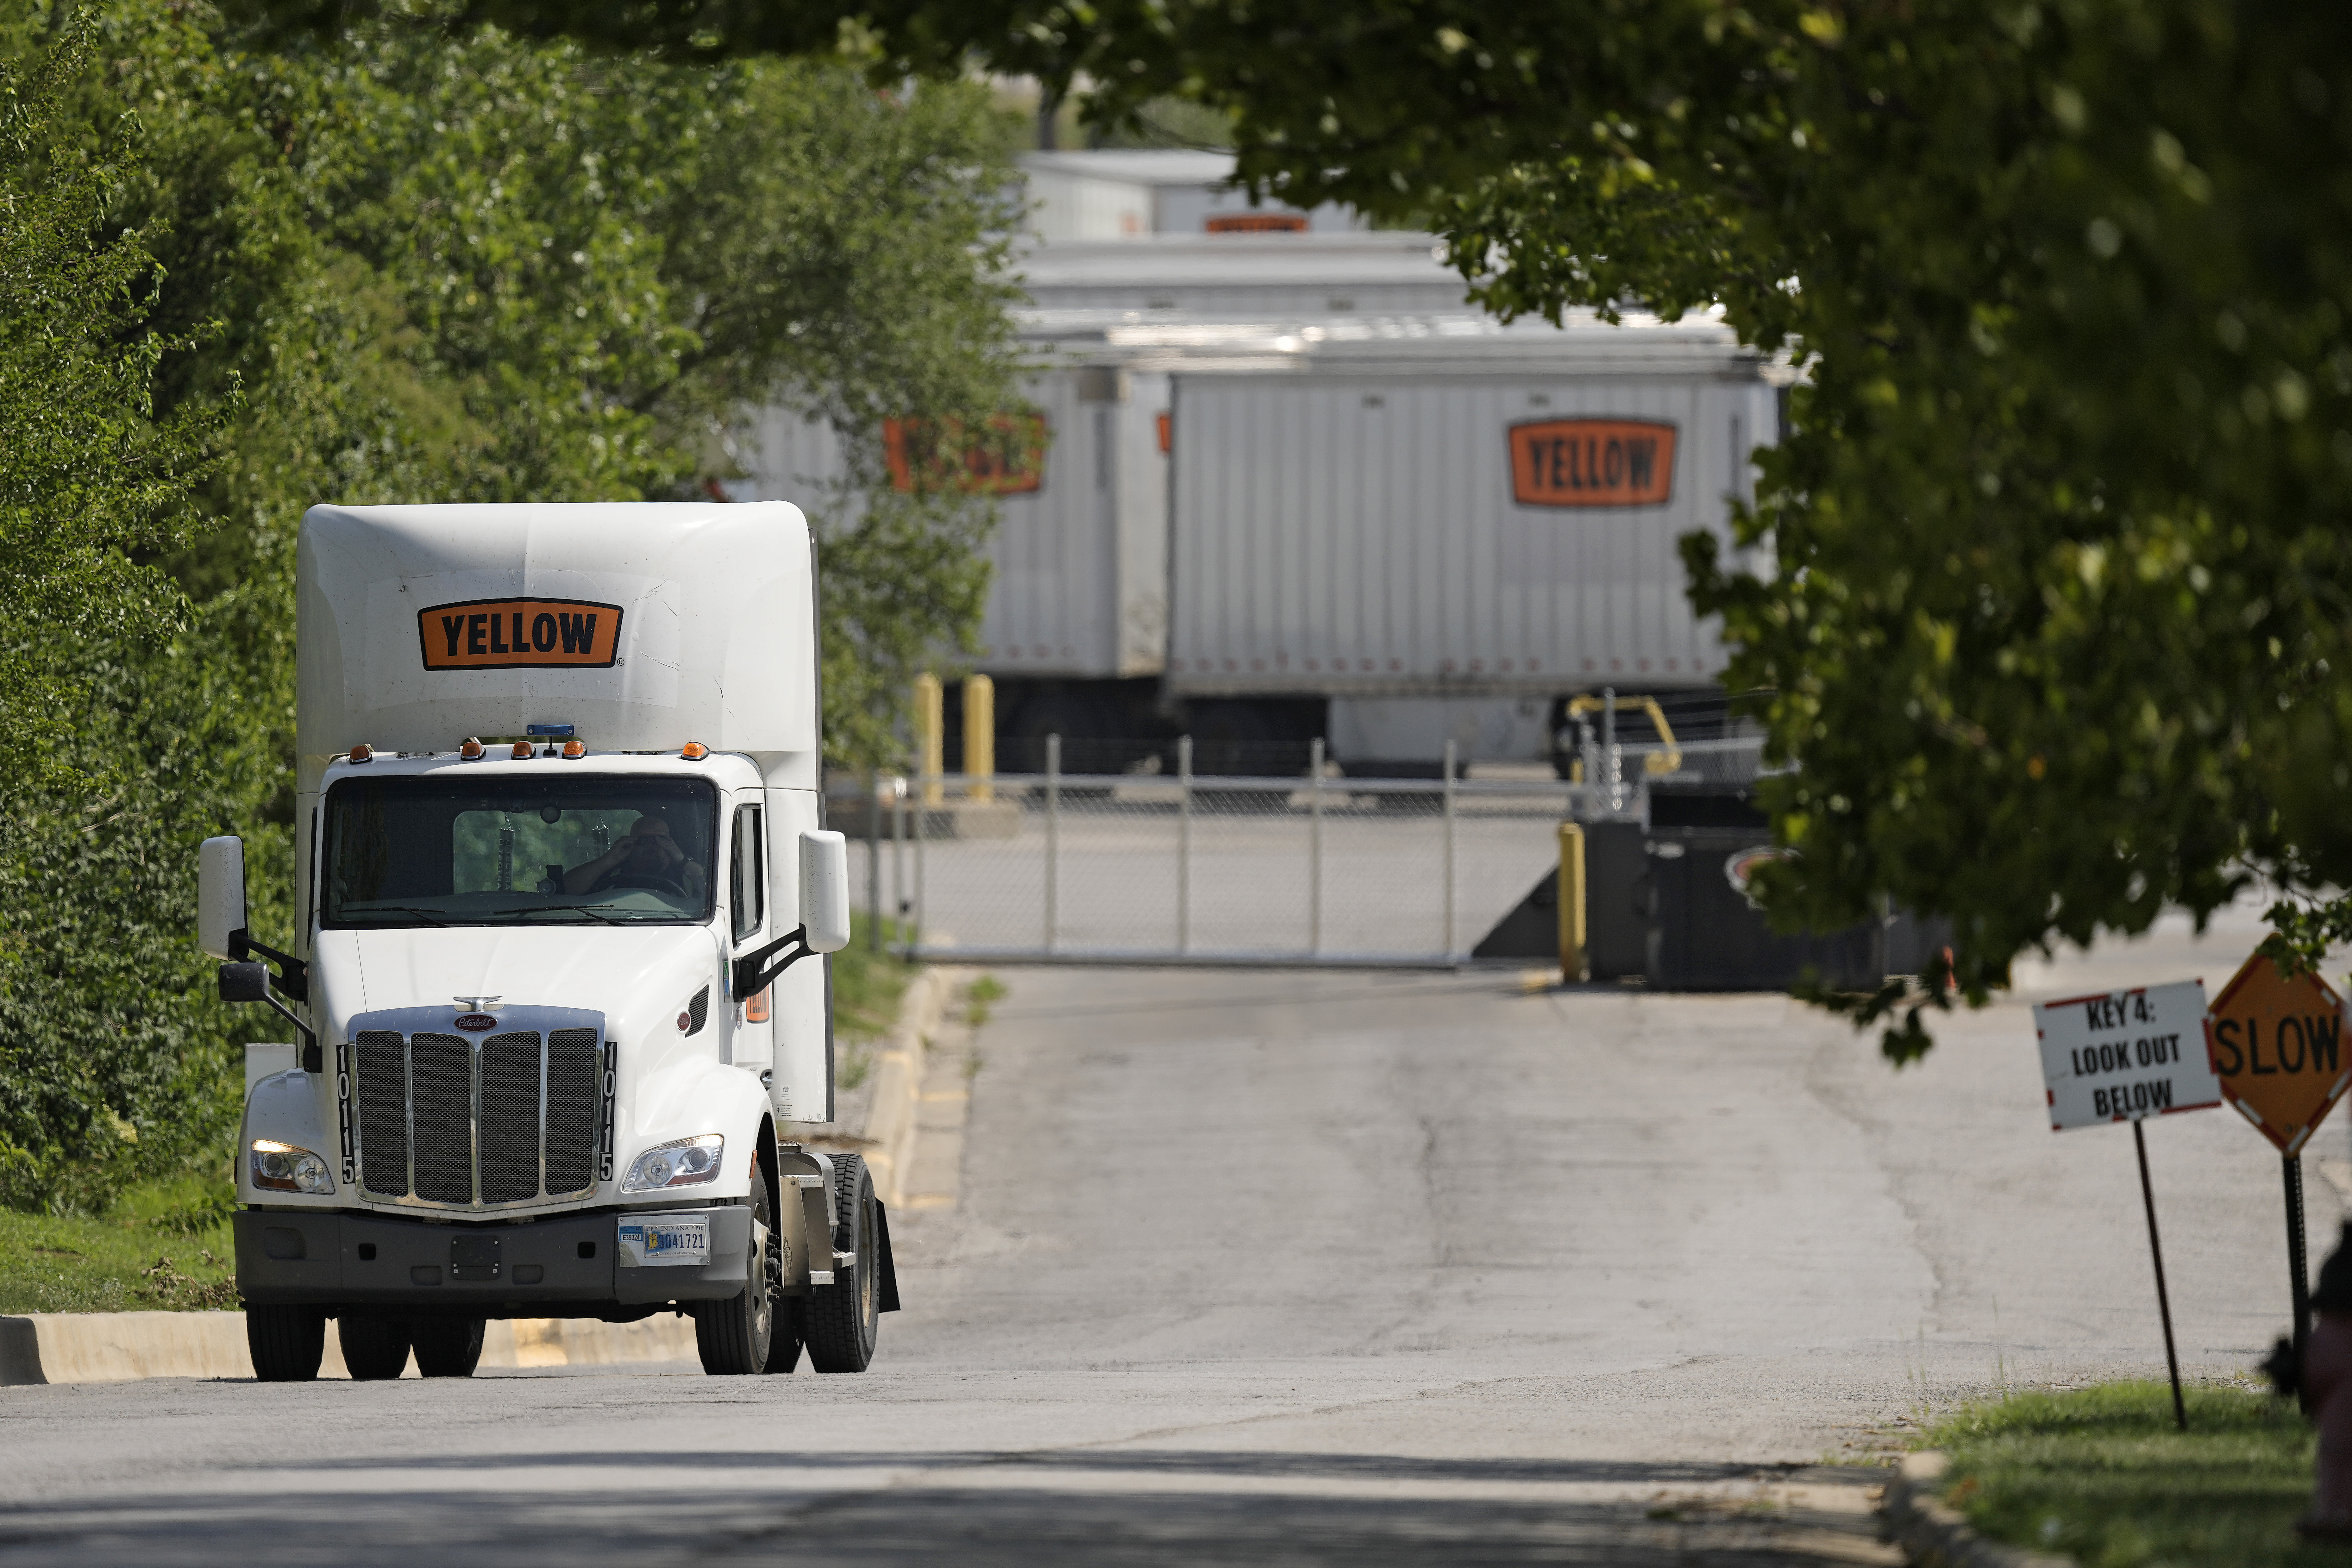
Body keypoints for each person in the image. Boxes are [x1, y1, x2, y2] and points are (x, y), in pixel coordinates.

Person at [564, 814, 707, 900]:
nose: (650, 847)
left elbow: (711, 889)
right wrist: (609, 860)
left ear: (670, 844)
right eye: (642, 841)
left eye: (657, 840)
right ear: (631, 843)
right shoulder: (613, 873)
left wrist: (681, 859)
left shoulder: (685, 875)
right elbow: (567, 891)